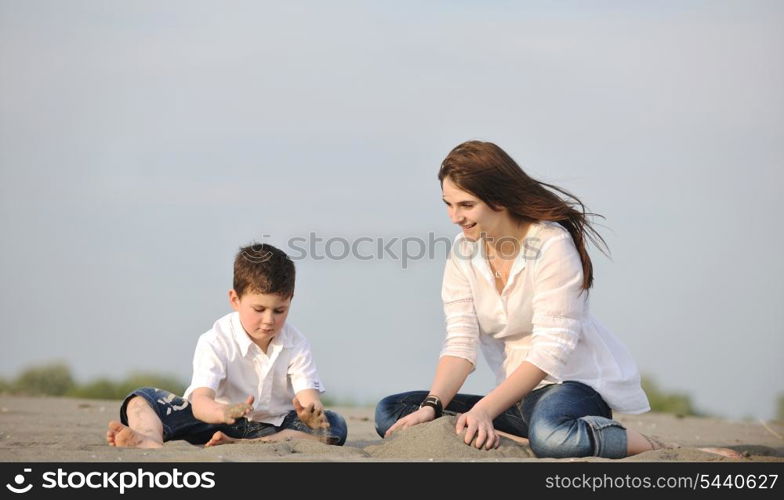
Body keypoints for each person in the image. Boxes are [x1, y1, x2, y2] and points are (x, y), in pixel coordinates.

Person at [375, 140, 738, 459]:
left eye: (466, 205)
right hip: (515, 399)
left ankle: (654, 447)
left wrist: (485, 410)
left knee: (551, 435)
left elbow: (551, 352)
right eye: (448, 204)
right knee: (394, 412)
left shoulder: (550, 244)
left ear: (498, 198)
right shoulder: (462, 252)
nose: (455, 217)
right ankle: (518, 433)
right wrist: (432, 406)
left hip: (570, 386)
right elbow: (460, 341)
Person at [106, 243, 348, 448]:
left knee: (334, 424)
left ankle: (244, 445)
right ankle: (148, 439)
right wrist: (223, 412)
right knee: (142, 398)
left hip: (274, 427)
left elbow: (309, 398)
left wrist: (311, 414)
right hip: (215, 419)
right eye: (259, 309)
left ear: (290, 301)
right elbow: (201, 402)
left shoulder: (297, 344)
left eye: (279, 310)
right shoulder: (215, 340)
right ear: (235, 299)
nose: (269, 320)